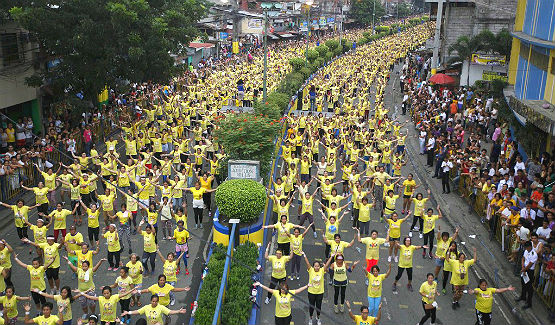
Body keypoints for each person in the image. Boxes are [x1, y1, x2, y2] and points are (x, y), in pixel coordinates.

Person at [302, 251, 332, 325]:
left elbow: (327, 264)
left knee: (318, 307)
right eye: (315, 266)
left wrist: (332, 256)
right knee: (311, 307)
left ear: (320, 266)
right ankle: (310, 318)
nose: (317, 267)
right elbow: (308, 263)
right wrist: (304, 255)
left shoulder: (322, 270)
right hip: (311, 292)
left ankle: (318, 318)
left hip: (320, 292)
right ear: (313, 266)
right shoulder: (311, 270)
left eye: (318, 266)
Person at [121, 295, 187, 325]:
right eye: (153, 301)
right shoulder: (146, 307)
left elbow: (169, 312)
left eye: (156, 301)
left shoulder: (161, 307)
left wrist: (178, 311)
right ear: (150, 301)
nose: (154, 303)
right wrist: (128, 312)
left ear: (158, 302)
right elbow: (138, 311)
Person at [516, 240, 537, 309]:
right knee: (523, 283)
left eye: (526, 247)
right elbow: (523, 259)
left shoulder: (534, 254)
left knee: (529, 288)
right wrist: (522, 268)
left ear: (530, 247)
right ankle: (523, 297)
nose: (526, 249)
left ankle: (529, 303)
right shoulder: (526, 251)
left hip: (529, 271)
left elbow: (530, 265)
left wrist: (524, 270)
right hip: (524, 269)